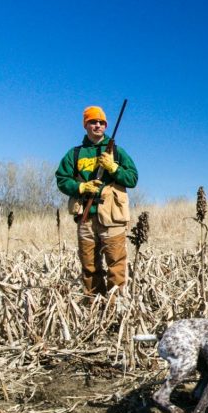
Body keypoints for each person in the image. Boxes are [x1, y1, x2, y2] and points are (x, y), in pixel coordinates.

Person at [55, 106, 139, 296]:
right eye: (93, 122)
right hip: (85, 219)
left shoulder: (117, 152)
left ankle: (116, 310)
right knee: (90, 268)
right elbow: (61, 179)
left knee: (116, 267)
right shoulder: (75, 154)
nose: (98, 125)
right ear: (86, 125)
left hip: (112, 219)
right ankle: (94, 309)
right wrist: (81, 188)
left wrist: (114, 168)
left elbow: (132, 178)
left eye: (101, 122)